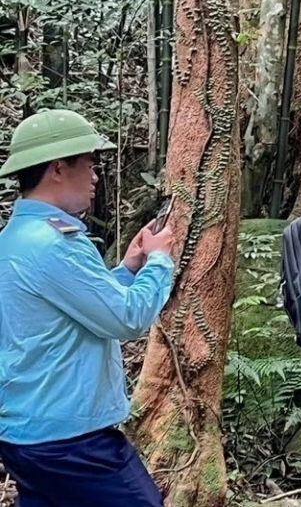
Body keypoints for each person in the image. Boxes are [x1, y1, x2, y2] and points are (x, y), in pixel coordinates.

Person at [0, 109, 175, 506]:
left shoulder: (14, 238)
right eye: (90, 165)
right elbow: (127, 318)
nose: (96, 177)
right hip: (72, 442)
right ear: (58, 169)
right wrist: (162, 261)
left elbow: (74, 310)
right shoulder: (55, 244)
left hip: (25, 435)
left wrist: (129, 269)